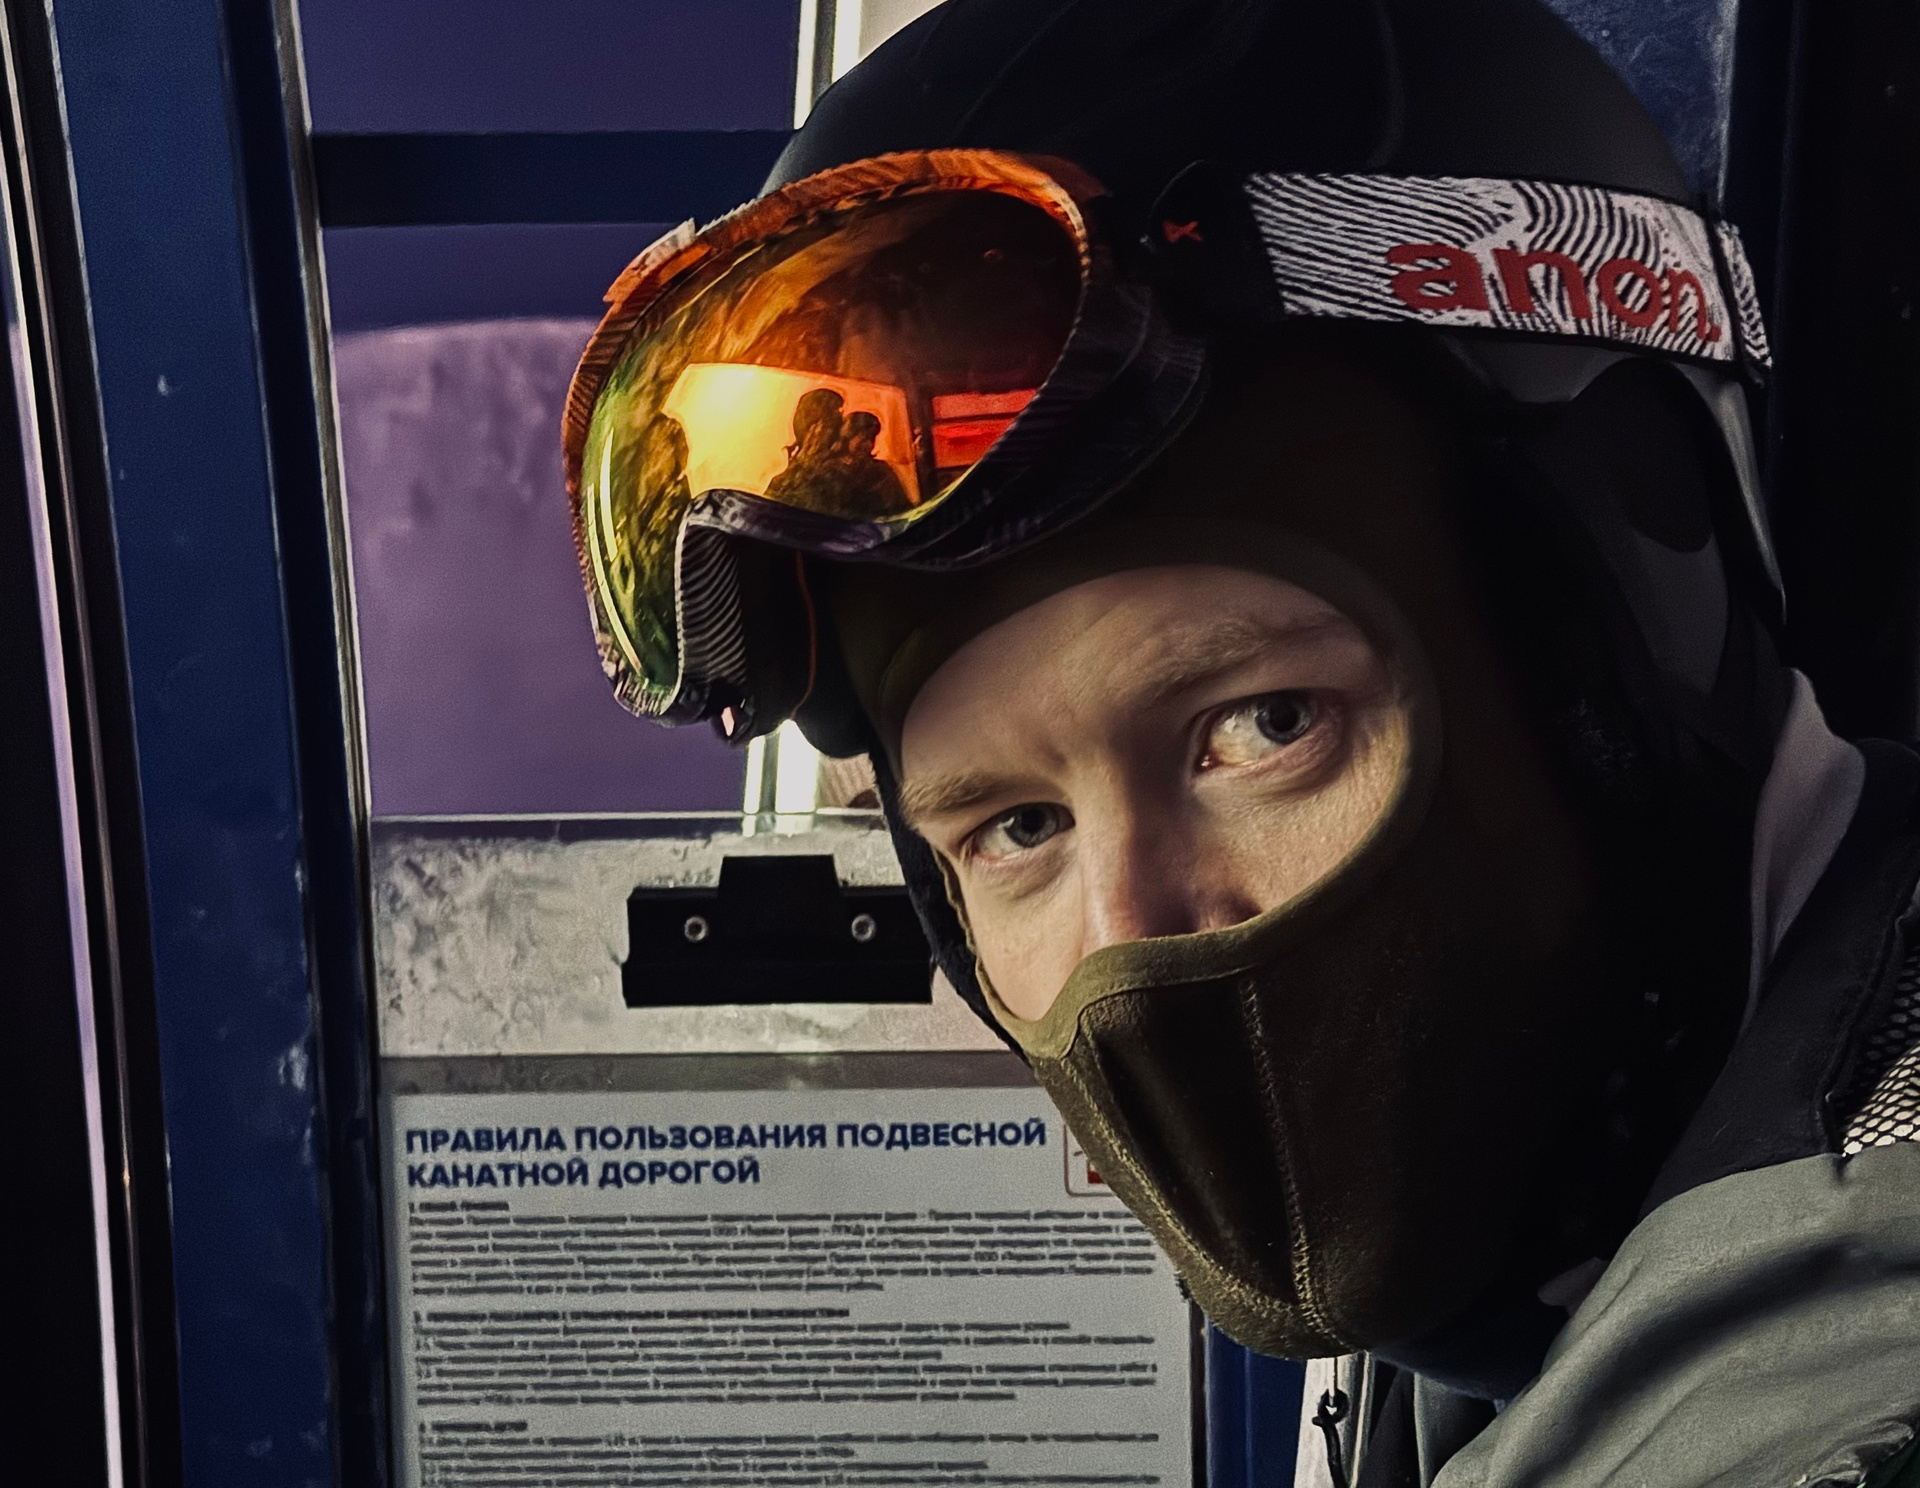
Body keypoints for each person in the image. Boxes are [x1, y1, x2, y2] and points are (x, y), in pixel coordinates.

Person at [562, 1, 1920, 1483]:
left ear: (1636, 594)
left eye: (1261, 728)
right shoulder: (1571, 1240)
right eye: (1016, 828)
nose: (1132, 941)